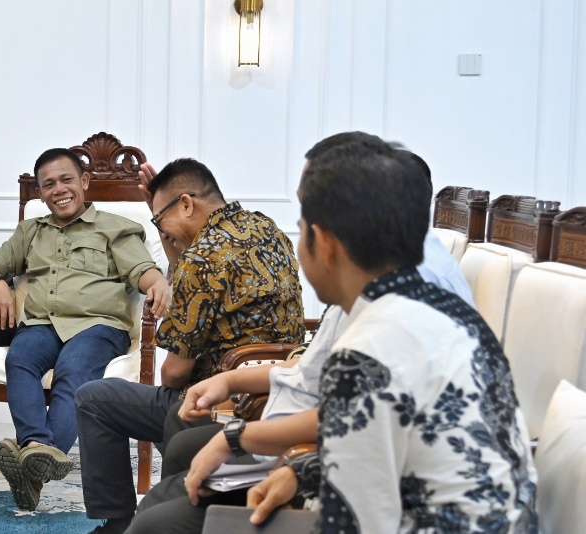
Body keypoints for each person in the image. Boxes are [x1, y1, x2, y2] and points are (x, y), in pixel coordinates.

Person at [126, 133, 477, 533]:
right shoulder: (381, 286)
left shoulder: (402, 300)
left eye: (305, 220)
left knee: (156, 522)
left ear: (330, 236)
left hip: (409, 513)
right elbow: (356, 409)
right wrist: (238, 394)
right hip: (355, 475)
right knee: (168, 492)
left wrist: (240, 440)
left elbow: (363, 424)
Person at [76, 158, 306, 533]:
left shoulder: (202, 258)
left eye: (159, 219)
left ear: (186, 204)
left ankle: (117, 523)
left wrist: (178, 256)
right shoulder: (268, 228)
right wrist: (167, 230)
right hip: (276, 389)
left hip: (217, 400)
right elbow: (187, 266)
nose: (161, 228)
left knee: (93, 398)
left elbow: (174, 374)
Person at [0, 147, 171, 511]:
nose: (59, 189)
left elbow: (142, 270)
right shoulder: (30, 231)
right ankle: (36, 452)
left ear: (84, 181)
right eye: (49, 184)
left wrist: (159, 283)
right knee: (20, 358)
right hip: (42, 325)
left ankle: (36, 459)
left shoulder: (114, 228)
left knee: (73, 370)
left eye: (66, 180)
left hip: (98, 326)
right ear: (40, 193)